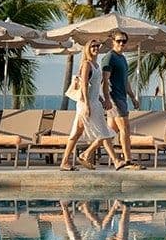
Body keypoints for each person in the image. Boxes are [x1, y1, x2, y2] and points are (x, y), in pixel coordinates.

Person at [60, 41, 126, 171]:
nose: (95, 48)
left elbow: (94, 87)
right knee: (104, 132)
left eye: (97, 46)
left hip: (95, 103)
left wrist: (102, 99)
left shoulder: (96, 65)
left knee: (77, 133)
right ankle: (115, 160)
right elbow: (84, 85)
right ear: (87, 49)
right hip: (86, 104)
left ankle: (67, 161)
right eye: (92, 46)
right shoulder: (87, 64)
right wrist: (87, 105)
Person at [102, 31, 142, 170]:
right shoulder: (109, 58)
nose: (121, 44)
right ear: (112, 41)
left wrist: (133, 98)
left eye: (124, 41)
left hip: (122, 98)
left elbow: (126, 82)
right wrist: (107, 99)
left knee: (109, 132)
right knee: (125, 129)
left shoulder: (122, 59)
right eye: (119, 41)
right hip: (114, 99)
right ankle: (128, 160)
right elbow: (105, 81)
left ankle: (85, 153)